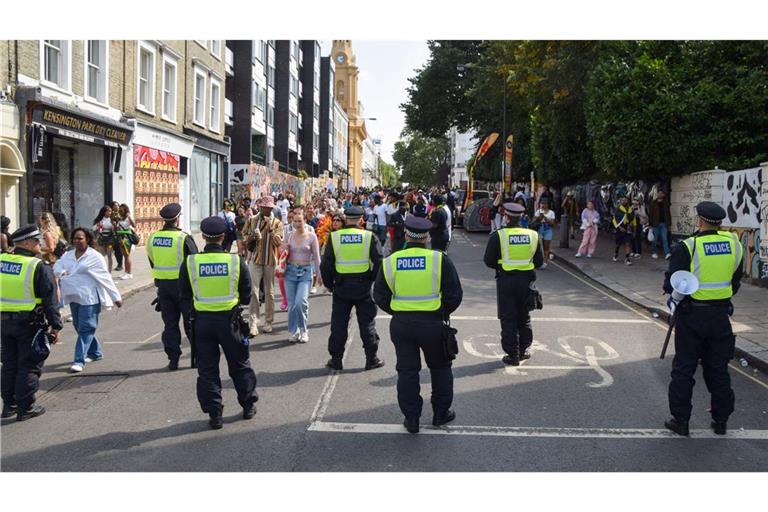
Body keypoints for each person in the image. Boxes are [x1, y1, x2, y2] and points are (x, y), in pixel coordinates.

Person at [373, 216, 463, 433]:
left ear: (406, 235)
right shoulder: (440, 260)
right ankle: (441, 413)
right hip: (433, 323)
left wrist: (398, 311)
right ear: (427, 237)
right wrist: (441, 311)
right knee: (440, 368)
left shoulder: (391, 261)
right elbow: (455, 295)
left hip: (402, 325)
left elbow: (380, 295)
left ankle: (412, 418)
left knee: (407, 371)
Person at [663, 201, 744, 437]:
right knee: (718, 370)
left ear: (699, 220)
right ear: (720, 222)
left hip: (692, 316)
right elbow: (735, 281)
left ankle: (681, 421)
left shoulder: (689, 246)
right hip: (720, 316)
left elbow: (671, 283)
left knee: (684, 370)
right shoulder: (734, 244)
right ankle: (721, 421)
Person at [179, 216, 257, 430]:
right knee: (240, 365)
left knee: (207, 370)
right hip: (229, 322)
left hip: (202, 323)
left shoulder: (191, 262)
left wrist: (190, 322)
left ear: (204, 237)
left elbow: (184, 295)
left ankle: (215, 415)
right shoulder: (235, 261)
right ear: (224, 237)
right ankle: (248, 405)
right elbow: (246, 294)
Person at [0, 225, 62, 421]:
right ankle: (25, 407)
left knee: (9, 364)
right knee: (28, 365)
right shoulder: (37, 266)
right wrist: (56, 325)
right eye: (36, 241)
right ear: (26, 243)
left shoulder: (1, 260)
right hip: (29, 324)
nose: (39, 243)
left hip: (3, 323)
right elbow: (50, 300)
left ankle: (9, 405)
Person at [320, 206, 384, 371]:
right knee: (367, 323)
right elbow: (379, 261)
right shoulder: (369, 236)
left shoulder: (334, 237)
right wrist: (371, 278)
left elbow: (326, 265)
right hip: (363, 286)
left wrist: (330, 285)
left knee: (339, 325)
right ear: (362, 219)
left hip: (341, 286)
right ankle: (371, 359)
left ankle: (336, 360)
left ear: (346, 219)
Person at [54, 228, 122, 373]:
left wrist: (116, 297)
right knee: (79, 327)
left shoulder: (95, 256)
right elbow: (58, 265)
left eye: (80, 238)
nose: (77, 241)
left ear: (88, 240)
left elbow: (105, 277)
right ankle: (95, 352)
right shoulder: (68, 255)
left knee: (86, 328)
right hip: (74, 296)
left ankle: (79, 360)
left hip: (90, 298)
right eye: (75, 238)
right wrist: (61, 272)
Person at [483, 203, 544, 366]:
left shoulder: (498, 235)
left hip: (506, 280)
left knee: (508, 317)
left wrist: (502, 264)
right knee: (524, 317)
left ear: (506, 217)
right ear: (521, 218)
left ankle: (512, 354)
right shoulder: (533, 235)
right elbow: (539, 261)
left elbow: (488, 261)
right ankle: (524, 350)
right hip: (527, 282)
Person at [146, 203, 199, 370]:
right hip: (184, 288)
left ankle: (173, 359)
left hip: (164, 288)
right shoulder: (183, 238)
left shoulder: (152, 238)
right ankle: (197, 357)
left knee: (170, 325)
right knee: (190, 323)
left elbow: (152, 262)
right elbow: (194, 262)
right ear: (177, 219)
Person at [243, 195, 283, 336]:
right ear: (260, 207)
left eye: (269, 207)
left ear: (272, 208)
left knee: (269, 292)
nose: (266, 209)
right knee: (253, 291)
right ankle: (253, 322)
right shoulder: (252, 220)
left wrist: (271, 230)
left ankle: (268, 321)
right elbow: (244, 236)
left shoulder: (277, 223)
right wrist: (252, 237)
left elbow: (279, 243)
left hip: (270, 260)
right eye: (264, 207)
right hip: (255, 259)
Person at [283, 209, 321, 343]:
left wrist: (319, 274)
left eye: (300, 221)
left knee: (301, 302)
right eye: (295, 221)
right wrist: (283, 248)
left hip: (305, 272)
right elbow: (283, 254)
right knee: (292, 304)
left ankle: (304, 330)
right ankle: (294, 331)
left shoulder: (311, 236)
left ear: (305, 221)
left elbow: (316, 257)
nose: (297, 223)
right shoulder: (288, 235)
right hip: (290, 272)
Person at [612, 195, 636, 266]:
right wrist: (619, 227)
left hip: (628, 228)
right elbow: (614, 220)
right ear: (620, 201)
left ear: (628, 201)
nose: (624, 201)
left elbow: (634, 221)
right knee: (618, 244)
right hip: (620, 228)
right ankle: (616, 253)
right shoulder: (618, 209)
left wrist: (634, 231)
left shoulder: (631, 210)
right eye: (622, 200)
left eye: (625, 200)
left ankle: (627, 258)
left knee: (627, 243)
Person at [532, 199, 556, 268]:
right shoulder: (538, 211)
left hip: (548, 231)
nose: (542, 205)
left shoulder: (551, 213)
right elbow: (533, 221)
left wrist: (546, 219)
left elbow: (553, 224)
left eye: (544, 204)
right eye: (541, 204)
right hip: (539, 230)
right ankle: (538, 260)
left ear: (547, 205)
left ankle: (545, 262)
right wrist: (538, 218)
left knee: (546, 247)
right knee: (538, 247)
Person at [649, 190, 672, 260]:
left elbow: (668, 214)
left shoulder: (666, 203)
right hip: (655, 224)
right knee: (655, 239)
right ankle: (654, 252)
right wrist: (650, 224)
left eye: (661, 193)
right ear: (657, 194)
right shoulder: (653, 203)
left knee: (664, 239)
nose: (660, 194)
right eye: (659, 193)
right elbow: (651, 214)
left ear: (663, 195)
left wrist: (669, 224)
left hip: (664, 223)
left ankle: (667, 253)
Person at [115, 204, 136, 280]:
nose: (119, 212)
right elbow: (117, 228)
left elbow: (134, 225)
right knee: (125, 256)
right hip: (121, 238)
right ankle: (126, 272)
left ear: (125, 211)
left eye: (121, 210)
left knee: (127, 256)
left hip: (126, 239)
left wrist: (129, 216)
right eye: (119, 210)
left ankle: (129, 273)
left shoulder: (128, 218)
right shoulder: (120, 218)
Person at [93, 205, 116, 272]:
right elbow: (93, 228)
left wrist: (114, 225)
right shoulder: (100, 220)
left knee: (109, 255)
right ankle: (101, 269)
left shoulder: (112, 220)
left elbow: (116, 230)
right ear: (104, 212)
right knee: (101, 255)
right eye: (108, 211)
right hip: (101, 239)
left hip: (110, 239)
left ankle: (109, 271)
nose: (110, 213)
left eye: (110, 211)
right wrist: (98, 226)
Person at [110, 201, 124, 272]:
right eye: (115, 205)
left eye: (118, 205)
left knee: (118, 250)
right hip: (111, 235)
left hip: (119, 234)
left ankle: (120, 264)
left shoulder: (121, 214)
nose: (117, 207)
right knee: (114, 251)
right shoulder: (110, 214)